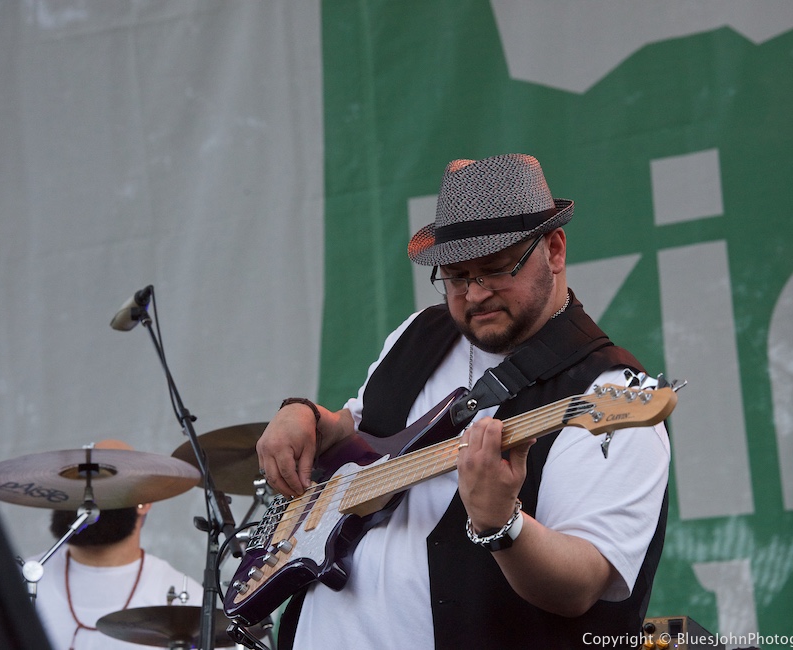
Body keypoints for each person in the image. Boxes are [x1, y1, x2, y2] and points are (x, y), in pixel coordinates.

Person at [256, 153, 671, 649]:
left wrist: (503, 524)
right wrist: (303, 415)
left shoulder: (613, 393)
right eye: (455, 276)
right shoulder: (419, 333)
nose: (474, 295)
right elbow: (361, 437)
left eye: (495, 270)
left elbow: (581, 584)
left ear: (554, 250)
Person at [31, 440, 204, 650]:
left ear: (144, 502)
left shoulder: (187, 601)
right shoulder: (20, 582)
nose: (87, 490)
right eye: (78, 478)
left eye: (105, 477)